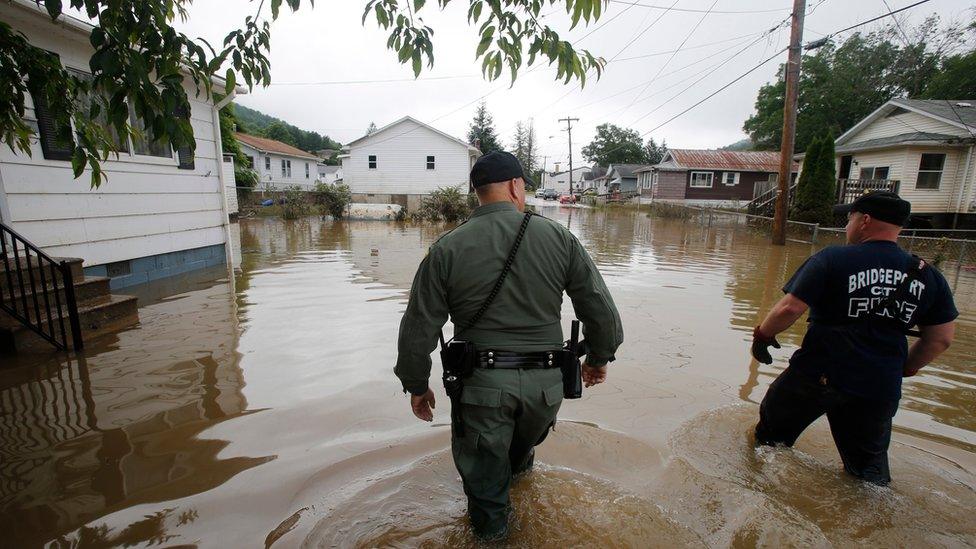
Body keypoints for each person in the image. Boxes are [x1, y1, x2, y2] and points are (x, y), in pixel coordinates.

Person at [394, 151, 623, 540]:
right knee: (520, 461)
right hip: (547, 389)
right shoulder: (559, 238)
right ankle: (523, 502)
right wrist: (599, 358)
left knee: (486, 496)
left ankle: (494, 534)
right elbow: (602, 312)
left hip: (483, 390)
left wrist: (416, 385)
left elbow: (418, 328)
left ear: (477, 193)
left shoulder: (446, 249)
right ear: (517, 186)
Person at [750, 191, 957, 485]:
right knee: (868, 475)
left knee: (768, 444)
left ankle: (758, 491)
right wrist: (905, 368)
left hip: (817, 375)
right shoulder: (928, 275)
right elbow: (941, 339)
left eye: (850, 218)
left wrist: (763, 335)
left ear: (865, 220)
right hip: (879, 386)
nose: (847, 225)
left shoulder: (833, 258)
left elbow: (790, 308)